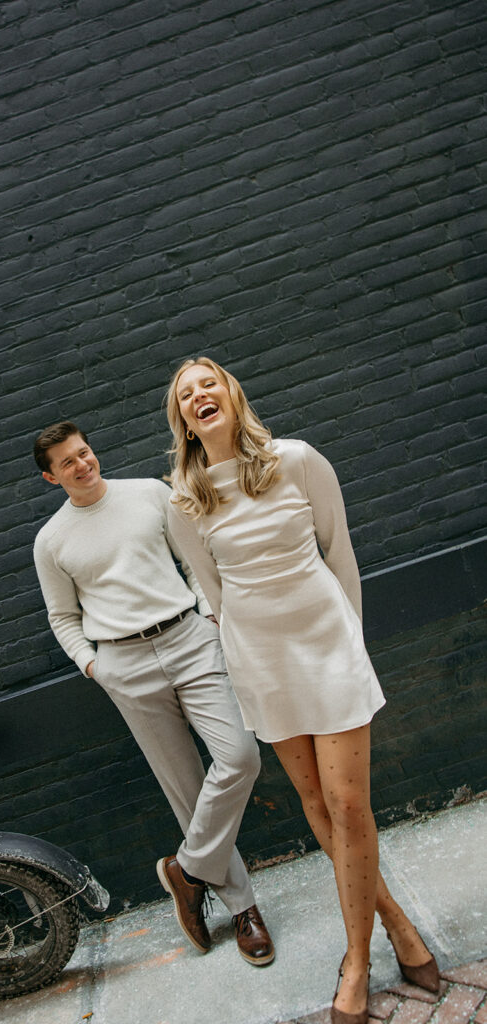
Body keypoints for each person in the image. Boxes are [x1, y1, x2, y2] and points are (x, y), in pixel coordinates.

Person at [165, 357, 440, 1024]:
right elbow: (214, 595)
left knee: (348, 804)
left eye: (209, 383)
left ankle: (355, 960)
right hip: (260, 659)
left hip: (327, 645)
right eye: (185, 394)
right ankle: (400, 928)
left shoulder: (298, 460)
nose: (201, 394)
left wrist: (352, 646)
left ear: (232, 395)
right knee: (316, 800)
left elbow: (338, 554)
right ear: (182, 421)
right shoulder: (183, 500)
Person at [32, 420, 274, 965]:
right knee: (185, 789)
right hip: (124, 663)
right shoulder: (51, 541)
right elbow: (62, 617)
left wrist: (208, 615)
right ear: (51, 478)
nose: (82, 464)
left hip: (189, 638)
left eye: (84, 452)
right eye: (67, 462)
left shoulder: (149, 492)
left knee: (239, 755)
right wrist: (94, 666)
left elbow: (192, 560)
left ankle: (186, 871)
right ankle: (243, 911)